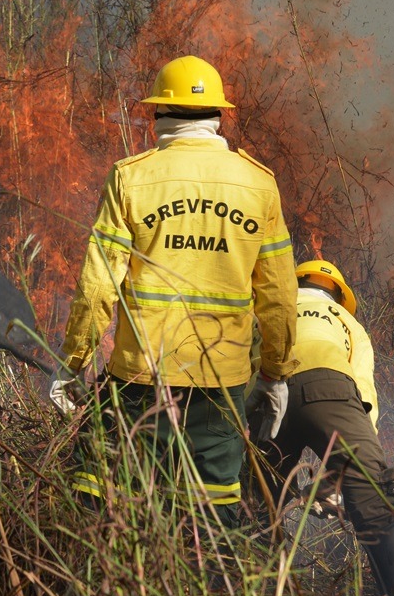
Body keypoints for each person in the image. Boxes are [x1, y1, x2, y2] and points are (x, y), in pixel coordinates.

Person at [53, 55, 299, 530]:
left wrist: (74, 362)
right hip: (221, 383)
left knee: (102, 500)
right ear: (219, 116)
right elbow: (280, 296)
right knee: (212, 516)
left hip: (140, 378)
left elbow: (98, 285)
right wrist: (275, 374)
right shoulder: (259, 183)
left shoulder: (131, 177)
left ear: (157, 113)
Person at [252, 259, 394, 596]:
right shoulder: (348, 322)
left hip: (268, 396)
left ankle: (255, 591)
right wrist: (341, 475)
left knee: (258, 508)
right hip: (331, 388)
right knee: (376, 505)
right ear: (337, 294)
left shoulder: (267, 308)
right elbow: (364, 395)